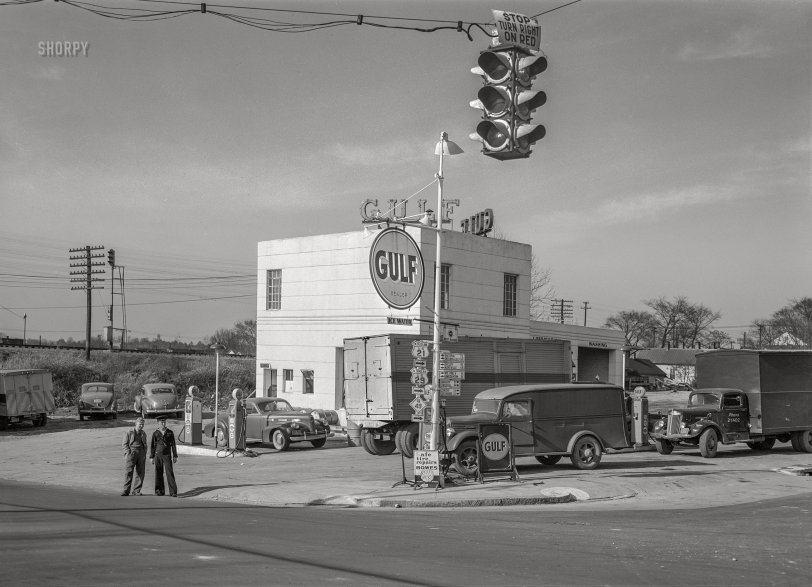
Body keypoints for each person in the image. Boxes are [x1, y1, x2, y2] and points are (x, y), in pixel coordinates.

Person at [150, 415, 178, 497]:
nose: (163, 423)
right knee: (158, 472)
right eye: (161, 422)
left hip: (167, 455)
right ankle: (159, 491)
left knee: (169, 472)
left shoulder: (170, 432)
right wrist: (151, 457)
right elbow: (153, 445)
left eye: (164, 422)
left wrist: (175, 455)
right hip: (158, 455)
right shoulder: (155, 433)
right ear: (158, 423)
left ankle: (173, 492)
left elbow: (173, 445)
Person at [122, 416, 147, 496]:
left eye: (142, 424)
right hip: (132, 453)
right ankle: (126, 490)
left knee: (140, 473)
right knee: (128, 472)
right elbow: (124, 444)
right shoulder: (129, 432)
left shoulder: (143, 433)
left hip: (141, 453)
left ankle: (136, 490)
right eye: (140, 424)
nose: (141, 426)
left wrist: (144, 453)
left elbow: (145, 444)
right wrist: (128, 453)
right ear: (136, 424)